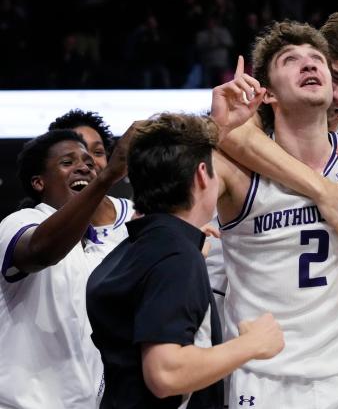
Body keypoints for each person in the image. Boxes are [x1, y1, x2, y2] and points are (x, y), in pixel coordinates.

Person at [210, 20, 338, 408]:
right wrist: (216, 127)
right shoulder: (236, 169)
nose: (309, 65)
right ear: (267, 93)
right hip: (266, 381)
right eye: (291, 60)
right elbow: (162, 164)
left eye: (317, 60)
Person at [85, 113, 284, 409]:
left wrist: (185, 248)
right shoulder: (174, 256)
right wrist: (251, 344)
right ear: (203, 175)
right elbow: (165, 373)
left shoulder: (133, 248)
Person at [0, 127, 131, 408]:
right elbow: (40, 251)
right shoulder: (19, 222)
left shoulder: (99, 249)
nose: (84, 168)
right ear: (39, 183)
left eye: (88, 162)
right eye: (67, 162)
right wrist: (107, 177)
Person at [49, 109, 135, 262]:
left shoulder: (136, 214)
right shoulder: (37, 224)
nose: (87, 164)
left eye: (98, 152)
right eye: (70, 158)